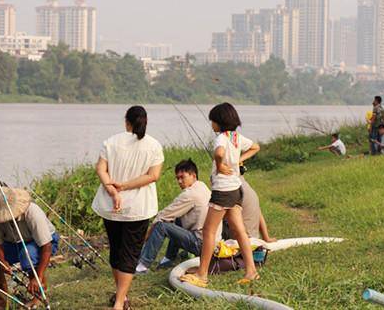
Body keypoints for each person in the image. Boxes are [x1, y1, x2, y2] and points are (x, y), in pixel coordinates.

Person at [180, 103, 260, 287]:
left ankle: (202, 275)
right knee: (239, 231)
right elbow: (256, 147)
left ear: (219, 122)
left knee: (208, 231)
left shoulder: (221, 138)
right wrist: (238, 160)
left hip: (223, 192)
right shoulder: (236, 137)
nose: (211, 124)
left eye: (212, 121)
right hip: (236, 189)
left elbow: (219, 152)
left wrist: (220, 163)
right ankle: (251, 270)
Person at [92, 106, 164, 310]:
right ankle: (119, 302)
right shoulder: (154, 146)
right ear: (145, 122)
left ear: (127, 122)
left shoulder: (111, 142)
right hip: (137, 209)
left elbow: (100, 168)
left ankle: (121, 297)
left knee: (116, 250)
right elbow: (153, 176)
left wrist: (114, 191)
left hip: (110, 207)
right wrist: (123, 187)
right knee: (130, 253)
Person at [0, 187, 59, 310]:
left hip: (41, 242)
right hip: (13, 243)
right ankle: (0, 301)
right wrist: (3, 262)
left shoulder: (32, 212)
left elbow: (46, 246)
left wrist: (39, 276)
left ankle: (37, 294)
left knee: (27, 255)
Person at [135, 159, 215, 274]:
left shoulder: (190, 194)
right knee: (175, 219)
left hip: (201, 244)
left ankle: (142, 266)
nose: (179, 181)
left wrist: (145, 237)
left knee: (161, 226)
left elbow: (162, 216)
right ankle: (168, 259)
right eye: (177, 178)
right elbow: (171, 215)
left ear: (193, 175)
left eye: (182, 177)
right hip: (211, 243)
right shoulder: (202, 186)